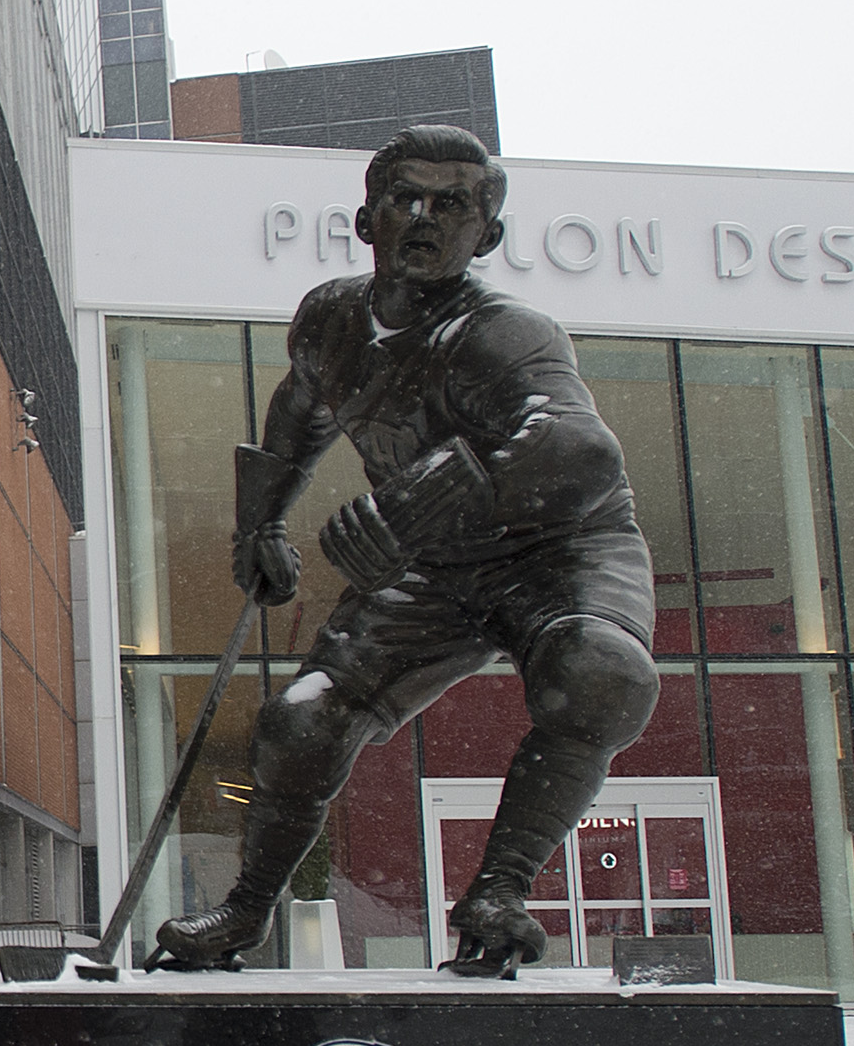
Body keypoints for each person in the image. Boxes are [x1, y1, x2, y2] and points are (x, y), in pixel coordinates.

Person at [151, 125, 658, 976]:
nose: (424, 218)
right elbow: (298, 415)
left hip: (557, 549)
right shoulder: (331, 321)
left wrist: (417, 504)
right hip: (434, 569)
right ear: (366, 219)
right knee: (300, 722)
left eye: (452, 206)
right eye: (405, 198)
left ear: (486, 238)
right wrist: (261, 526)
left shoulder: (507, 335)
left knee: (602, 676)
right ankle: (244, 913)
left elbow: (580, 451)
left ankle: (498, 892)